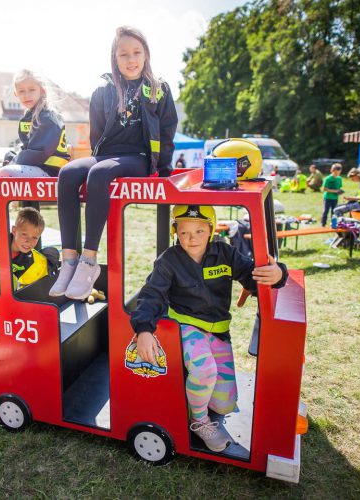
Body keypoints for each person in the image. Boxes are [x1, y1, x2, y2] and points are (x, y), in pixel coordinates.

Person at [130, 205, 288, 452]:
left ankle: (194, 396)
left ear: (211, 231)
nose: (191, 238)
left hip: (219, 332)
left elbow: (253, 275)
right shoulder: (169, 260)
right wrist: (143, 330)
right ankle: (199, 422)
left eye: (199, 231)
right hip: (185, 326)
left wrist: (278, 274)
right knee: (205, 370)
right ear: (175, 232)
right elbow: (151, 295)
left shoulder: (225, 253)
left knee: (224, 405)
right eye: (184, 232)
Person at [50, 25, 178, 300]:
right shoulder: (103, 90)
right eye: (124, 54)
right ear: (114, 58)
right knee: (68, 173)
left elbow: (167, 131)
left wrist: (164, 172)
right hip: (107, 155)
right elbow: (96, 134)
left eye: (137, 53)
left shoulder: (158, 89)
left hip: (140, 157)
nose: (131, 60)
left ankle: (89, 261)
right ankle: (69, 260)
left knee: (99, 173)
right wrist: (97, 157)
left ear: (146, 54)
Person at [0, 69, 70, 178]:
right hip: (35, 166)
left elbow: (39, 153)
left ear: (42, 91)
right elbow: (26, 148)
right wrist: (11, 158)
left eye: (31, 90)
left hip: (50, 170)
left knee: (5, 172)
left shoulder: (48, 118)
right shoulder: (27, 118)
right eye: (21, 91)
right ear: (16, 94)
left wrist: (12, 162)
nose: (26, 95)